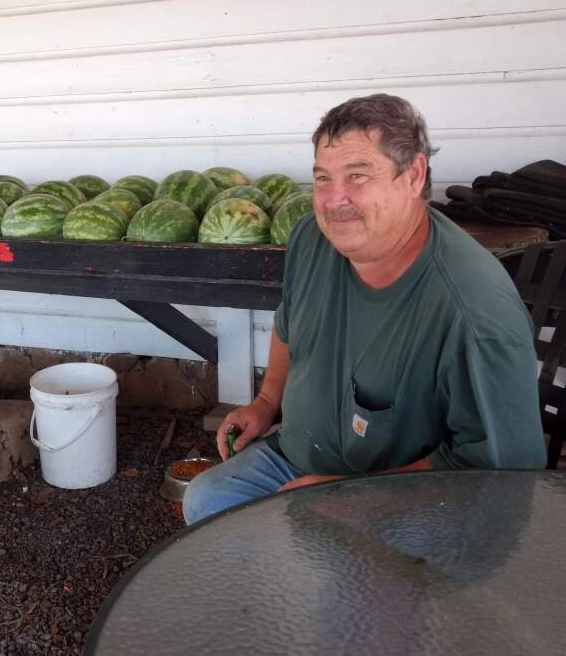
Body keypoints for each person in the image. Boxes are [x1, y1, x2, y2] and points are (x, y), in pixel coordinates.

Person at [183, 93, 546, 525]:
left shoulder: (475, 312)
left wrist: (359, 498)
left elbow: (501, 473)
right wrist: (265, 401)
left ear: (413, 175)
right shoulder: (311, 240)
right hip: (299, 456)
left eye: (358, 175)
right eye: (322, 178)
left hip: (409, 497)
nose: (334, 200)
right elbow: (288, 324)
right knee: (206, 501)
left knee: (337, 573)